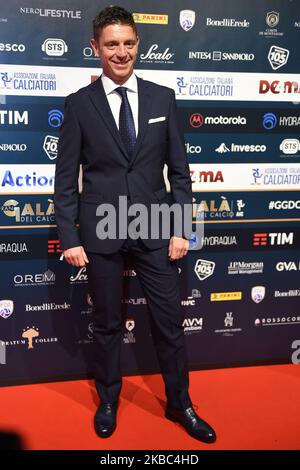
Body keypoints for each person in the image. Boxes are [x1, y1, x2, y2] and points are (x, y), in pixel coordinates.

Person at [54, 5, 216, 443]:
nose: (121, 52)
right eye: (111, 45)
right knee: (107, 324)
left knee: (169, 322)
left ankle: (181, 404)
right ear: (95, 48)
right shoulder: (79, 105)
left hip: (156, 226)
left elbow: (179, 172)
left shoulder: (163, 98)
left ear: (137, 45)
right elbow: (65, 179)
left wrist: (182, 227)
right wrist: (70, 236)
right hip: (101, 231)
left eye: (128, 43)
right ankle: (109, 400)